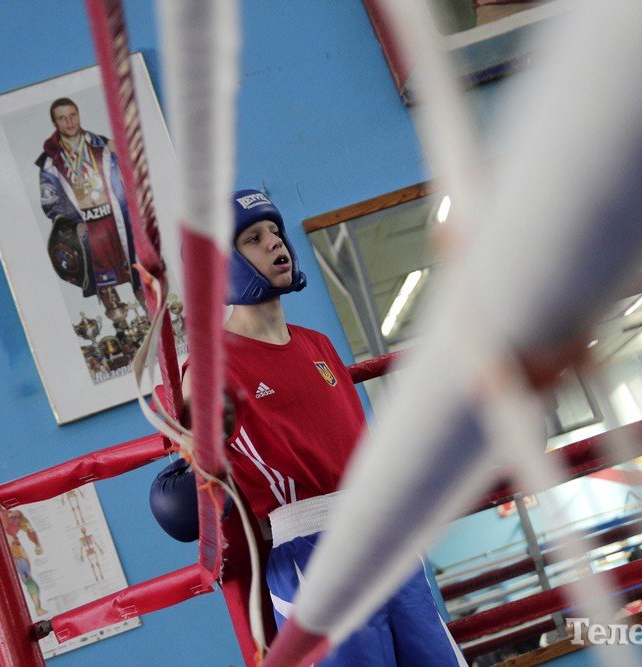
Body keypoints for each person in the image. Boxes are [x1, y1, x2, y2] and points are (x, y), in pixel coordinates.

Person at [151, 190, 466, 665]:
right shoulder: (210, 368)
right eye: (253, 238)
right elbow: (196, 475)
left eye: (274, 231)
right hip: (309, 550)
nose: (275, 242)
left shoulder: (317, 344)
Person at [36, 97, 143, 331]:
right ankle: (124, 331)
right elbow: (50, 201)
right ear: (55, 123)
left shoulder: (103, 145)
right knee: (105, 285)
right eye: (62, 118)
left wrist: (122, 153)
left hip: (117, 220)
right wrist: (71, 224)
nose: (69, 121)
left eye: (72, 115)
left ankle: (160, 324)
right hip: (89, 229)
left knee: (138, 274)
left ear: (78, 115)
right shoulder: (50, 161)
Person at [0, 507, 49, 616]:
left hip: (16, 553)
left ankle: (37, 608)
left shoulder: (16, 516)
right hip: (9, 552)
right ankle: (37, 608)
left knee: (28, 580)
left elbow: (30, 530)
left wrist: (37, 544)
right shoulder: (11, 515)